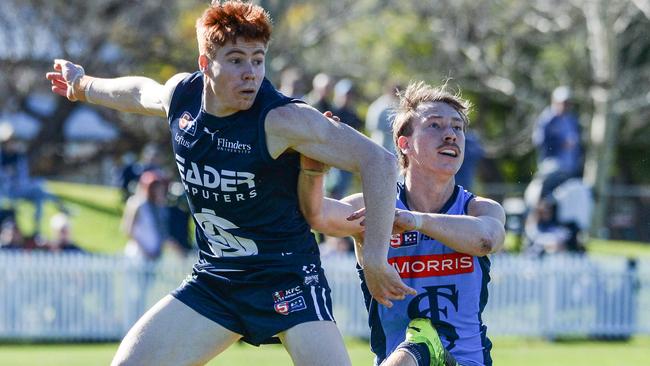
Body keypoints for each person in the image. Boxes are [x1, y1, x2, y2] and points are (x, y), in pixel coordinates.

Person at [46, 1, 412, 365]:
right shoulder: (182, 97)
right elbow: (141, 92)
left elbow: (378, 161)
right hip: (217, 281)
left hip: (286, 279)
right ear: (205, 63)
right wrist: (82, 85)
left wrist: (376, 259)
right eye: (236, 60)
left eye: (258, 59)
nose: (251, 72)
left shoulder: (282, 118)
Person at [299, 81, 506, 366]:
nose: (450, 135)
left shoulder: (478, 208)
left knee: (412, 352)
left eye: (457, 128)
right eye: (435, 125)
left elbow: (488, 239)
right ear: (403, 143)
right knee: (410, 353)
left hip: (466, 361)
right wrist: (313, 166)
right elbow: (318, 215)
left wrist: (416, 221)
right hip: (396, 358)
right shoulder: (372, 205)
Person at [0, 123, 61, 235]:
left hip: (19, 189)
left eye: (13, 140)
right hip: (5, 191)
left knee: (39, 190)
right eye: (9, 141)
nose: (12, 143)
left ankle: (37, 230)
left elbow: (23, 177)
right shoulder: (2, 157)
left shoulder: (18, 157)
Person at [531, 86, 583, 198]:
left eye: (568, 103)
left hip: (569, 169)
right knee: (545, 200)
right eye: (563, 103)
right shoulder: (547, 119)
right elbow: (539, 141)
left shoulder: (571, 119)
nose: (566, 106)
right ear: (554, 101)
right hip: (551, 168)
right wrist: (560, 144)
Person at [366, 82, 401, 155]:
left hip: (392, 144)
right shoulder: (381, 105)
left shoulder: (397, 104)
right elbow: (372, 126)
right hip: (380, 140)